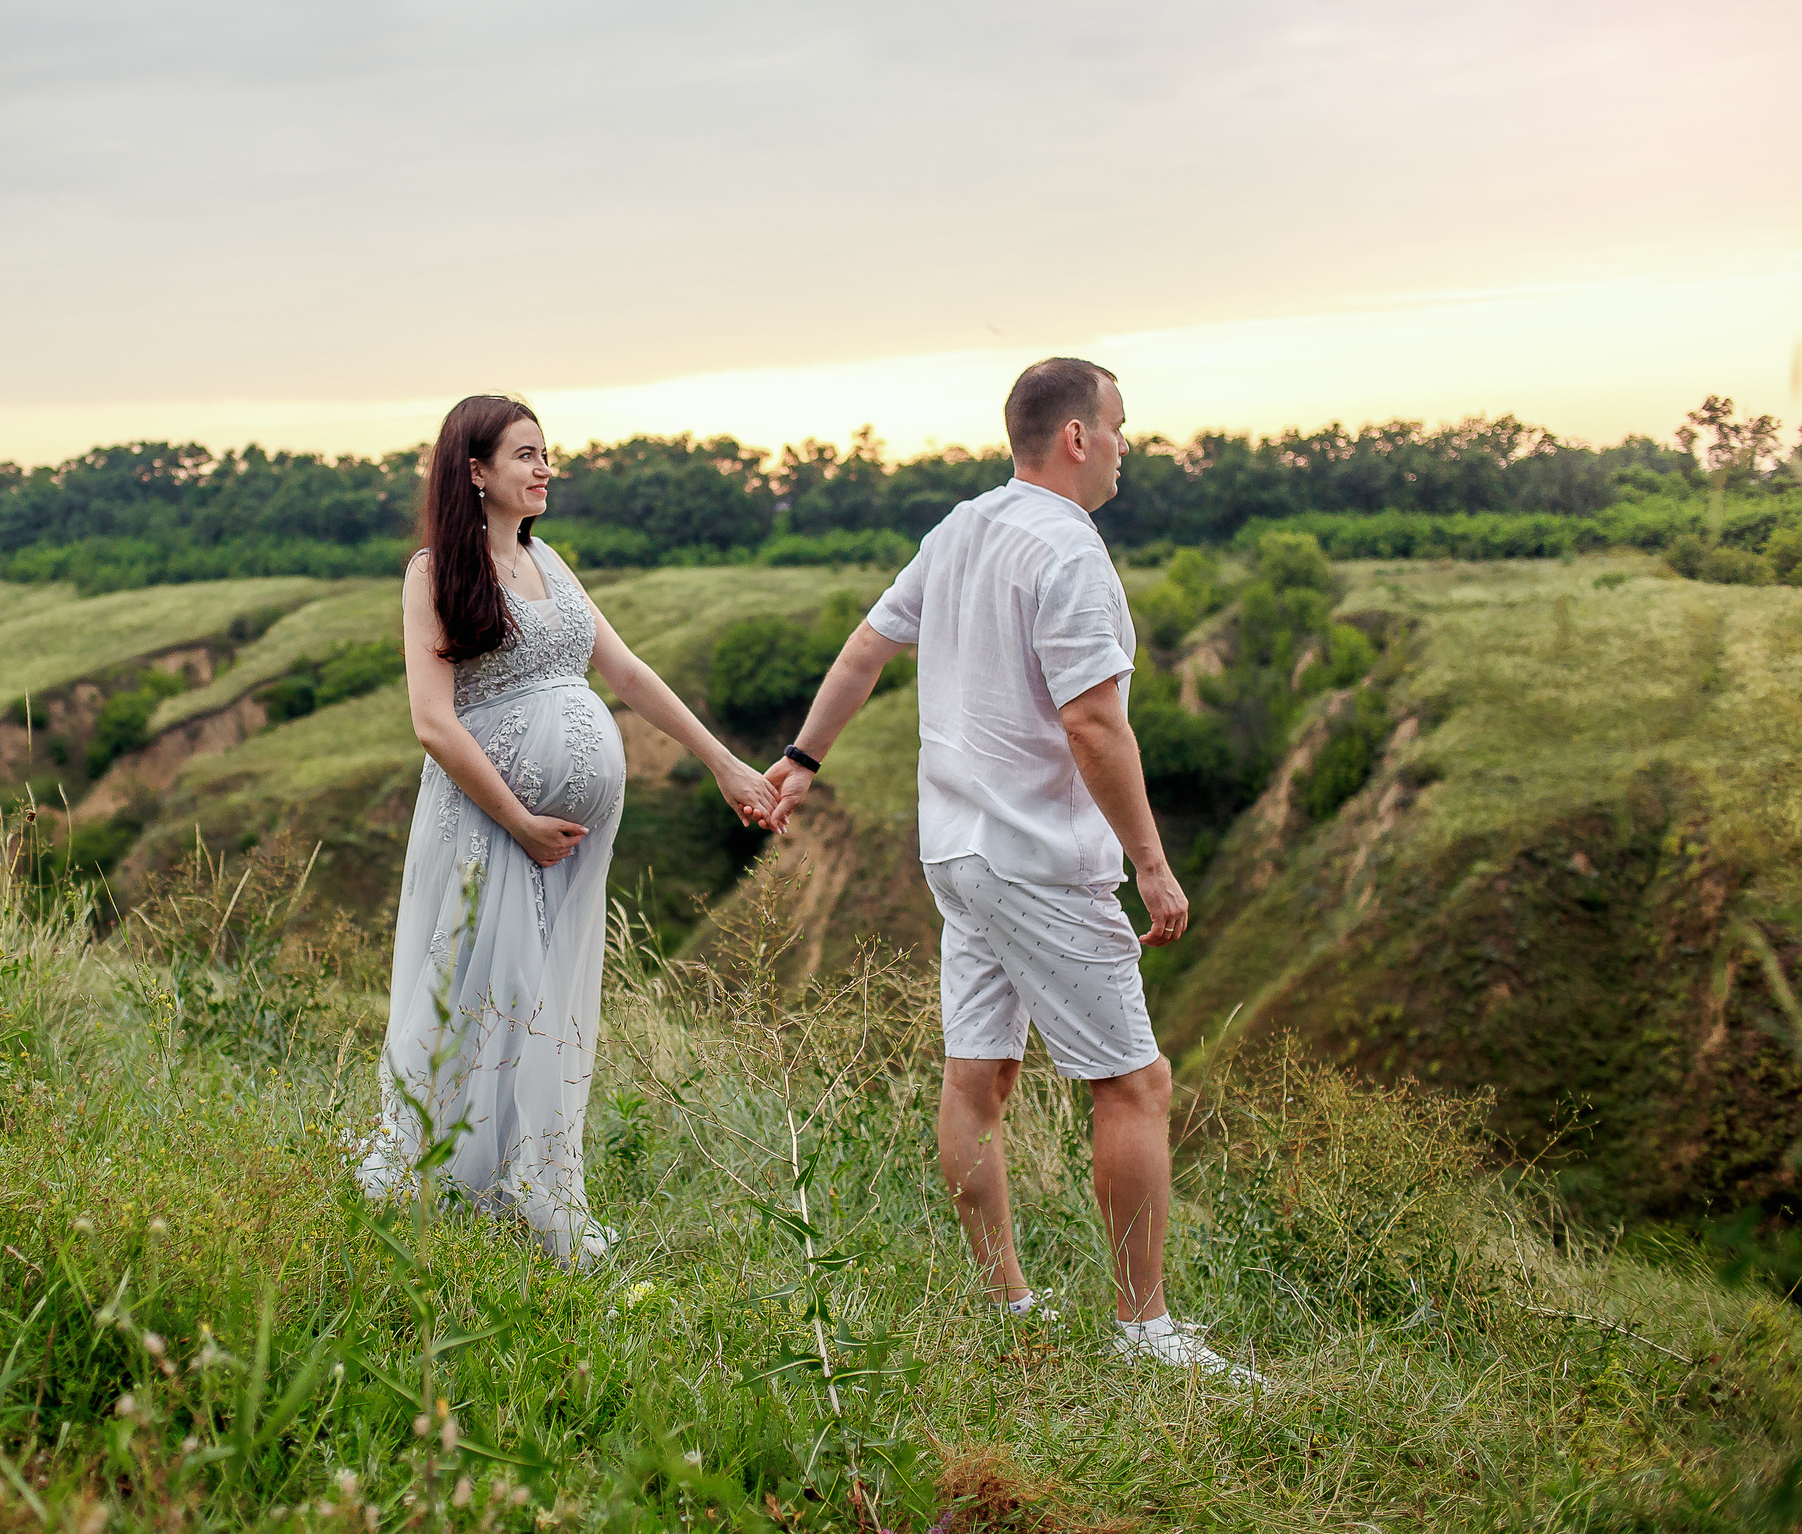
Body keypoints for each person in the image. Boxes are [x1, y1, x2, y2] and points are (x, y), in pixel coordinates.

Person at [764, 358, 1255, 1380]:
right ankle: (1143, 1332)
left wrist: (804, 759)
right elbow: (1091, 720)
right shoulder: (1069, 552)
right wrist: (1151, 866)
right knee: (1134, 1083)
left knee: (978, 1073)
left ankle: (1006, 1307)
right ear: (1076, 437)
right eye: (1118, 427)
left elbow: (864, 647)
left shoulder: (960, 527)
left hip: (955, 849)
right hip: (1037, 856)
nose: (1125, 446)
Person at [357, 394, 777, 1266]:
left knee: (545, 991)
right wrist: (517, 820)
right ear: (475, 470)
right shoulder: (433, 572)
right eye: (524, 454)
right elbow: (434, 724)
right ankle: (447, 1182)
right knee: (479, 987)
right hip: (490, 825)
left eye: (546, 454)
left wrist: (722, 762)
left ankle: (534, 1180)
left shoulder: (553, 563)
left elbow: (623, 669)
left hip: (565, 844)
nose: (543, 468)